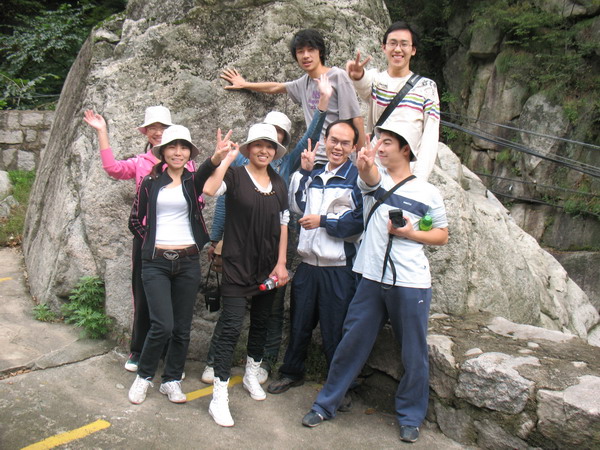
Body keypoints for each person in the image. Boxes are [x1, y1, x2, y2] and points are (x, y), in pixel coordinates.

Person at [301, 123, 448, 444]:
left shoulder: (428, 193)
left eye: (388, 142)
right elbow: (369, 177)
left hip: (411, 282)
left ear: (406, 149)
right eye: (379, 141)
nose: (380, 147)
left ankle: (410, 416)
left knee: (414, 352)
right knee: (351, 343)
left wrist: (411, 233)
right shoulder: (375, 180)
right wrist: (365, 164)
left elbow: (441, 234)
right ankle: (326, 404)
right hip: (369, 278)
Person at [202, 74, 334, 385]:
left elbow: (312, 133)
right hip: (240, 247)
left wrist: (324, 103)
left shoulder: (285, 167)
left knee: (271, 312)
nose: (269, 142)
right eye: (265, 135)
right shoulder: (240, 165)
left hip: (274, 248)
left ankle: (263, 363)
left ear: (282, 142)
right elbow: (221, 202)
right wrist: (216, 239)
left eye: (277, 136)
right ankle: (214, 362)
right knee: (232, 313)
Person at [84, 106, 195, 373]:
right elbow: (112, 168)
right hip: (147, 239)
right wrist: (102, 132)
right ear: (145, 132)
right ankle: (139, 349)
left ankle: (169, 354)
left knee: (176, 300)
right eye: (152, 128)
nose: (158, 132)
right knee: (143, 294)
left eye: (163, 128)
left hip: (179, 241)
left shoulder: (187, 163)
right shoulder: (140, 162)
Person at [127, 125, 232, 405]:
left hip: (187, 261)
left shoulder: (191, 181)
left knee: (182, 328)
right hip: (156, 263)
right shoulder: (150, 182)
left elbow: (205, 174)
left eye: (183, 147)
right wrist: (151, 242)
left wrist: (217, 156)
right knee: (162, 325)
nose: (178, 152)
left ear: (189, 153)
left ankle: (171, 380)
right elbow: (135, 220)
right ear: (163, 152)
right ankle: (144, 376)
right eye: (172, 147)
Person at [203, 123, 290, 427]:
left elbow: (283, 224)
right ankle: (219, 396)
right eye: (258, 145)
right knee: (230, 328)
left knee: (261, 324)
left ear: (275, 151)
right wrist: (225, 159)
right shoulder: (235, 176)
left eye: (269, 146)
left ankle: (252, 374)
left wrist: (281, 263)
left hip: (267, 267)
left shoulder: (279, 182)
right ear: (249, 149)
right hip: (237, 266)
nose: (264, 151)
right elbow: (209, 189)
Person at [267, 120, 363, 396]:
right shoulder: (316, 174)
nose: (338, 147)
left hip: (339, 268)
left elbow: (358, 222)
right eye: (334, 140)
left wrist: (323, 221)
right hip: (308, 265)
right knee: (299, 323)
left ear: (353, 147)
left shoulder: (357, 178)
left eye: (345, 143)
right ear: (326, 141)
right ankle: (291, 372)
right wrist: (305, 172)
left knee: (336, 329)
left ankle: (340, 386)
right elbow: (297, 206)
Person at [221, 28, 365, 165]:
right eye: (300, 51)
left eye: (311, 50)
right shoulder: (304, 82)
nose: (306, 55)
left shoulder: (338, 76)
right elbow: (276, 87)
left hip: (339, 158)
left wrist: (361, 158)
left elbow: (356, 119)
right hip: (313, 158)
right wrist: (245, 84)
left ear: (320, 52)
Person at [346, 21, 440, 180]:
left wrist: (419, 178)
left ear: (413, 50)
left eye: (404, 44)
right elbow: (364, 84)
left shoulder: (427, 88)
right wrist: (358, 75)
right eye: (393, 43)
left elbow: (430, 136)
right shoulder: (376, 80)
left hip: (407, 173)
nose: (397, 49)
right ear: (384, 47)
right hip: (374, 171)